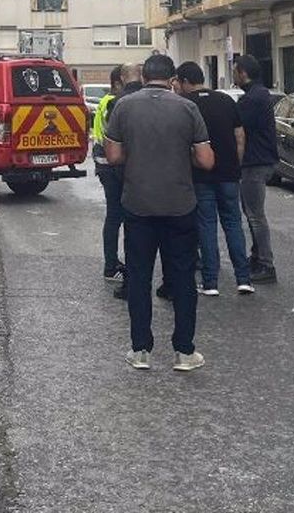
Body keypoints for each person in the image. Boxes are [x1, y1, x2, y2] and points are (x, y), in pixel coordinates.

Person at [105, 53, 213, 372]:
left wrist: (136, 153)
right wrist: (185, 156)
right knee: (181, 277)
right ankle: (184, 351)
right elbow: (206, 161)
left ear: (144, 76)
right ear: (171, 79)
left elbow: (113, 155)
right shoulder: (187, 107)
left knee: (138, 277)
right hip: (179, 205)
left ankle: (140, 350)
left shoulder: (124, 106)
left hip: (138, 203)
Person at [175, 61, 253, 297]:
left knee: (206, 225)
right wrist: (235, 164)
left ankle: (210, 283)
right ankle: (244, 279)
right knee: (233, 224)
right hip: (229, 174)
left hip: (200, 176)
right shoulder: (226, 101)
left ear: (186, 81)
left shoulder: (187, 105)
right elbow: (240, 137)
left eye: (179, 82)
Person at [233, 54, 279, 284]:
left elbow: (237, 127)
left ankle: (265, 263)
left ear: (243, 72)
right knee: (252, 213)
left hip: (254, 163)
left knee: (254, 215)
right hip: (261, 161)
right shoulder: (259, 94)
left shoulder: (253, 99)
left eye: (235, 71)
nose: (234, 75)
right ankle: (257, 256)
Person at [91, 64, 136, 282]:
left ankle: (111, 263)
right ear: (119, 81)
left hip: (103, 163)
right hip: (112, 165)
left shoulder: (104, 101)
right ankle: (113, 264)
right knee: (118, 215)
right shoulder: (114, 102)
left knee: (113, 215)